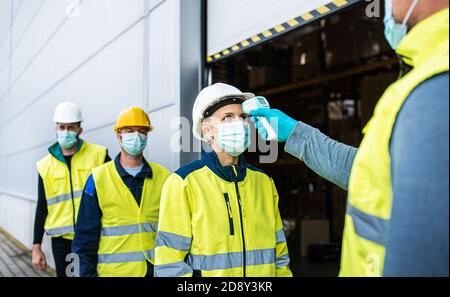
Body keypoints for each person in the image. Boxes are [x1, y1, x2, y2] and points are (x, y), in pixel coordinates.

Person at [250, 0, 449, 276]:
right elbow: (367, 171)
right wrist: (295, 133)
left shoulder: (437, 90)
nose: (386, 7)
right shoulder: (425, 80)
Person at [154, 83, 292, 277]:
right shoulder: (183, 183)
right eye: (228, 117)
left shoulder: (264, 182)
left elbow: (280, 257)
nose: (240, 124)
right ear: (207, 129)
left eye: (243, 117)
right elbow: (170, 266)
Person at [72, 107, 171, 277]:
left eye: (142, 131)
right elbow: (84, 239)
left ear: (147, 136)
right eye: (130, 131)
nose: (136, 136)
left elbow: (174, 232)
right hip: (112, 273)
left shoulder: (164, 177)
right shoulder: (97, 179)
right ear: (119, 135)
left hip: (153, 272)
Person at [32, 101, 109, 277]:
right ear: (56, 128)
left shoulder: (98, 155)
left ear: (80, 130)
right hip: (62, 243)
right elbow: (42, 206)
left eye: (71, 127)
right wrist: (36, 246)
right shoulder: (44, 165)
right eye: (62, 127)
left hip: (94, 237)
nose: (66, 132)